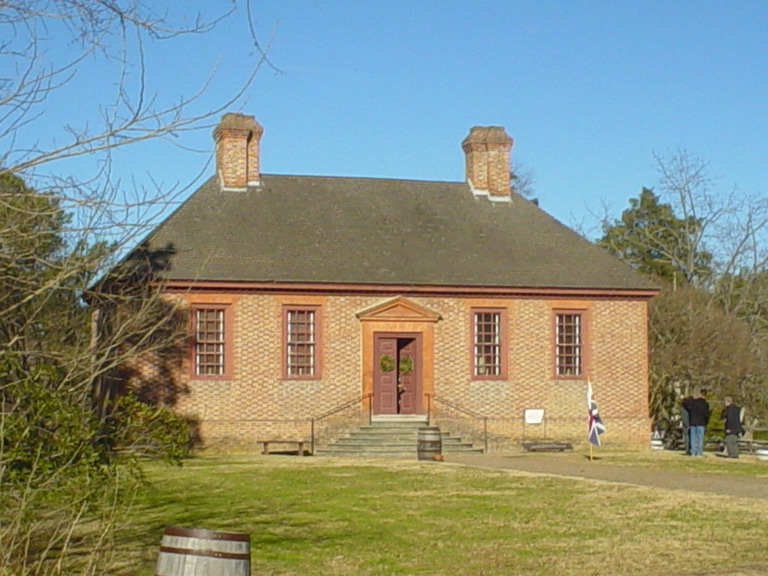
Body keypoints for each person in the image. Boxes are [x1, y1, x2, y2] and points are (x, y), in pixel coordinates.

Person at [686, 389, 710, 457]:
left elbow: (687, 405)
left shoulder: (694, 402)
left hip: (693, 422)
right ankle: (699, 452)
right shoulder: (705, 404)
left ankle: (693, 452)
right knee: (700, 438)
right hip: (701, 423)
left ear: (700, 394)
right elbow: (706, 415)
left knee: (693, 438)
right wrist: (706, 422)